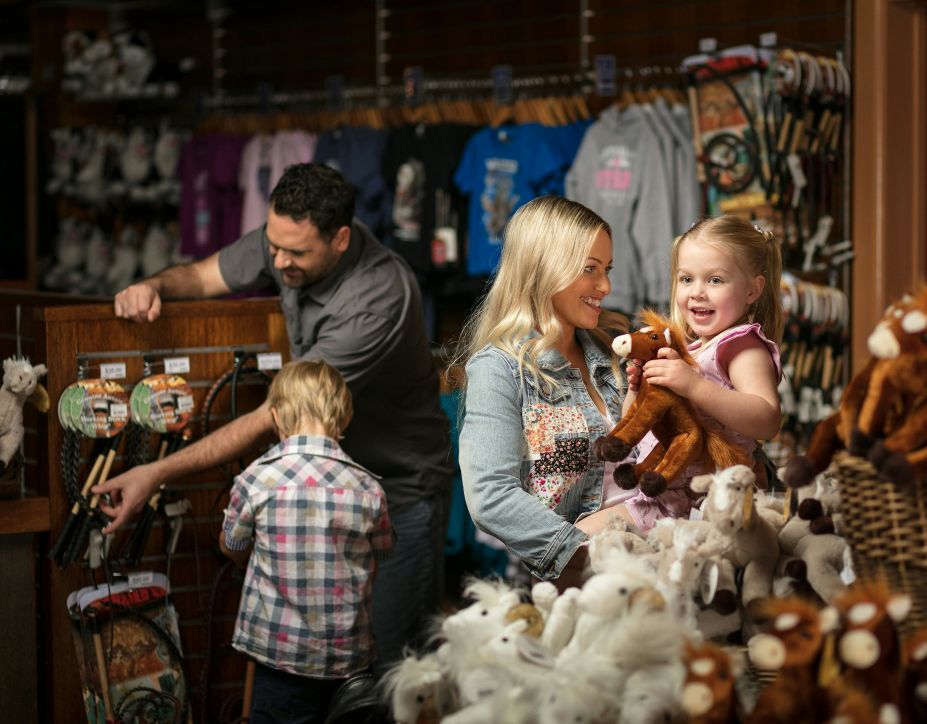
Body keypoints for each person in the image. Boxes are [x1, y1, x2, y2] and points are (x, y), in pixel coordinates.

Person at [95, 162, 451, 668]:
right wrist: (151, 285)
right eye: (273, 244)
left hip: (399, 493)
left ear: (340, 239)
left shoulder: (377, 298)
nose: (278, 260)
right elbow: (202, 275)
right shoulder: (287, 238)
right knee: (324, 666)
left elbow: (274, 415)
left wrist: (156, 472)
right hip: (324, 491)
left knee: (397, 670)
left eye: (296, 253)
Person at [456, 195, 632, 590]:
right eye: (590, 269)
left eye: (607, 269)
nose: (605, 286)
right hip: (574, 589)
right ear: (543, 266)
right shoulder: (500, 368)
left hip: (650, 565)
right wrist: (584, 556)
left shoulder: (614, 351)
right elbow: (490, 496)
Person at [219, 359, 392, 724]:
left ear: (277, 418)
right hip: (349, 661)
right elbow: (383, 551)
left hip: (281, 657)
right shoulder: (369, 488)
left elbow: (231, 546)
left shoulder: (255, 480)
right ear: (346, 417)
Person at [608, 215, 784, 529]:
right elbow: (638, 422)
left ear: (752, 290)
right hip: (663, 495)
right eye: (686, 279)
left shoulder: (742, 346)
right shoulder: (690, 351)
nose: (697, 292)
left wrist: (694, 386)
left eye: (715, 280)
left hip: (708, 505)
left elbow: (767, 419)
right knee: (578, 541)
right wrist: (638, 391)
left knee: (581, 545)